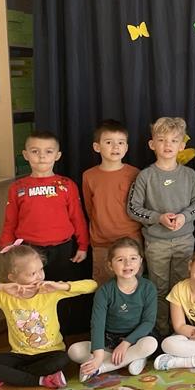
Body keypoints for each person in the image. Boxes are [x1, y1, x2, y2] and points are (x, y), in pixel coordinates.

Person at [0, 245, 96, 389]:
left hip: (51, 353)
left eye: (41, 269)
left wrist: (61, 286)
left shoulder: (49, 291)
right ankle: (41, 380)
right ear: (13, 277)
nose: (40, 276)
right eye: (32, 273)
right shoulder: (4, 296)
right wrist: (1, 287)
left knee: (62, 359)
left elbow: (92, 285)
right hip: (19, 355)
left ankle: (8, 376)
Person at [127, 116, 195, 337]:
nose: (167, 145)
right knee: (158, 288)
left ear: (182, 146)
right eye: (161, 140)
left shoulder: (189, 175)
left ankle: (181, 331)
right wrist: (158, 217)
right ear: (152, 144)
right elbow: (133, 208)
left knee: (182, 287)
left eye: (173, 140)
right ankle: (161, 332)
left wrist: (184, 217)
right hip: (156, 244)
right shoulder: (145, 176)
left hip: (184, 241)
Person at [0, 131, 89, 286]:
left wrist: (83, 245)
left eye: (48, 151)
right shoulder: (17, 187)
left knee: (59, 289)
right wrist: (5, 247)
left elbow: (77, 218)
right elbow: (10, 221)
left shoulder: (67, 185)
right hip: (28, 249)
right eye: (35, 151)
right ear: (25, 155)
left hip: (62, 249)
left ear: (57, 155)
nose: (42, 156)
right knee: (30, 289)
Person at [68, 238, 158, 381]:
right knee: (74, 351)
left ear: (140, 261)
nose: (127, 264)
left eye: (133, 258)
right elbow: (98, 324)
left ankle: (101, 368)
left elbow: (148, 322)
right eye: (120, 260)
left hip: (137, 338)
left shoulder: (148, 288)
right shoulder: (104, 291)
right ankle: (132, 359)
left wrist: (125, 344)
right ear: (110, 265)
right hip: (110, 340)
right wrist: (98, 356)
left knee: (150, 344)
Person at [81, 119, 141, 284]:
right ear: (97, 147)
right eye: (109, 142)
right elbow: (89, 208)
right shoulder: (89, 176)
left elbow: (141, 207)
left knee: (132, 285)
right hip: (102, 242)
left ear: (126, 147)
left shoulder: (135, 173)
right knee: (104, 286)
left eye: (120, 143)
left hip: (131, 239)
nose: (115, 147)